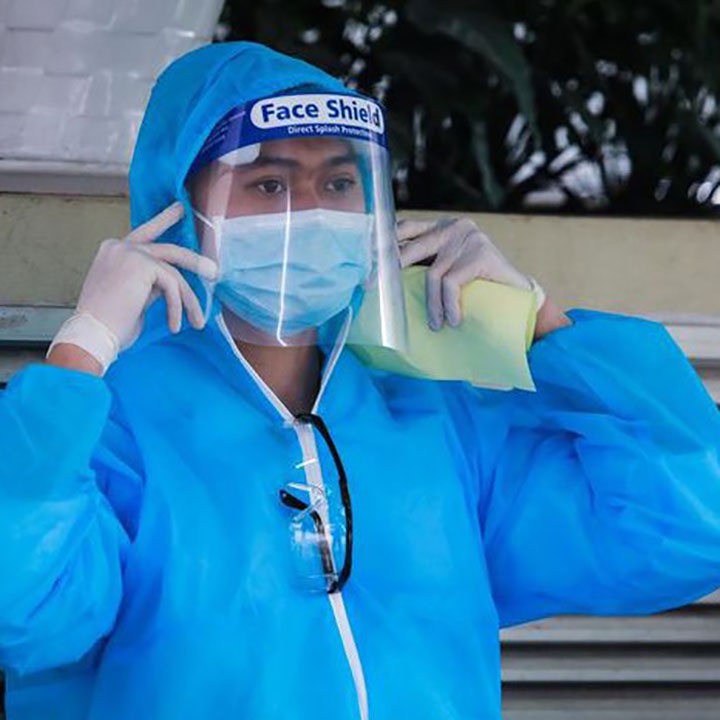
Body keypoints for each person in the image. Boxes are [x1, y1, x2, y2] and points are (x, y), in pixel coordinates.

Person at [1, 41, 719, 720]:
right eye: (269, 182)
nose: (312, 211)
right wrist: (81, 353)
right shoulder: (107, 432)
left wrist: (540, 324)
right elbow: (23, 616)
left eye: (340, 182)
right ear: (178, 209)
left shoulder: (438, 424)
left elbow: (692, 528)